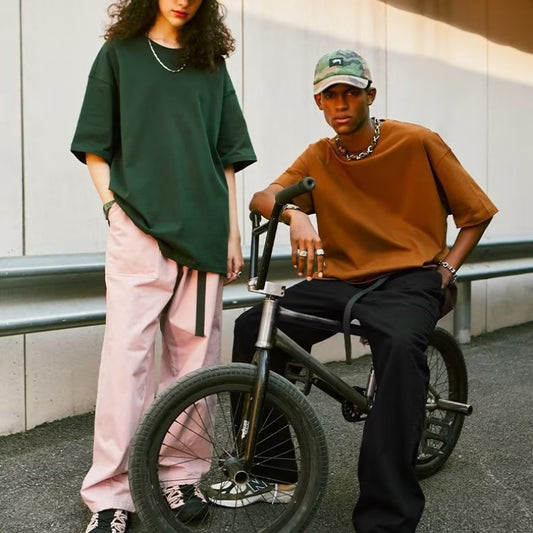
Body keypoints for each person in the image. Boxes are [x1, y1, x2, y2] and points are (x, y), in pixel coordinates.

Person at [208, 50, 497, 532]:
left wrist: (447, 268)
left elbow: (477, 213)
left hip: (409, 278)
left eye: (350, 93)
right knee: (253, 326)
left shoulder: (418, 141)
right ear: (318, 102)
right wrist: (296, 214)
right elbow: (263, 197)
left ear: (370, 95)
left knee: (400, 349)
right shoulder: (320, 155)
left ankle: (387, 517)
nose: (340, 103)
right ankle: (273, 472)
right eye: (330, 95)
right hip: (341, 280)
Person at [70, 0, 256, 531]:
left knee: (195, 364)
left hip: (204, 233)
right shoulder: (119, 55)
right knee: (125, 363)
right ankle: (111, 495)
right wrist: (114, 210)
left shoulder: (210, 62)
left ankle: (180, 476)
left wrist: (231, 231)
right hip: (139, 230)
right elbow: (95, 146)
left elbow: (227, 155)